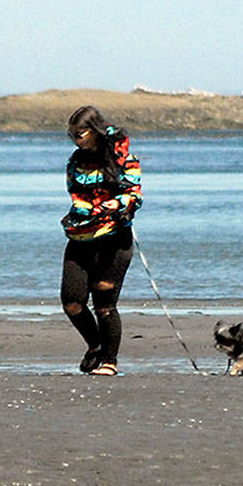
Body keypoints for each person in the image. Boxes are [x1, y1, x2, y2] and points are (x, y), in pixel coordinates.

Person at [61, 106, 142, 375]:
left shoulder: (123, 159)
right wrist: (85, 211)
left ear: (94, 131)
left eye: (80, 134)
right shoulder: (74, 161)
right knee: (72, 302)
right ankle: (95, 345)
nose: (76, 140)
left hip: (115, 239)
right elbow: (75, 194)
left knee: (104, 301)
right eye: (72, 135)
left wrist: (116, 205)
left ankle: (109, 361)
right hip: (81, 235)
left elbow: (135, 195)